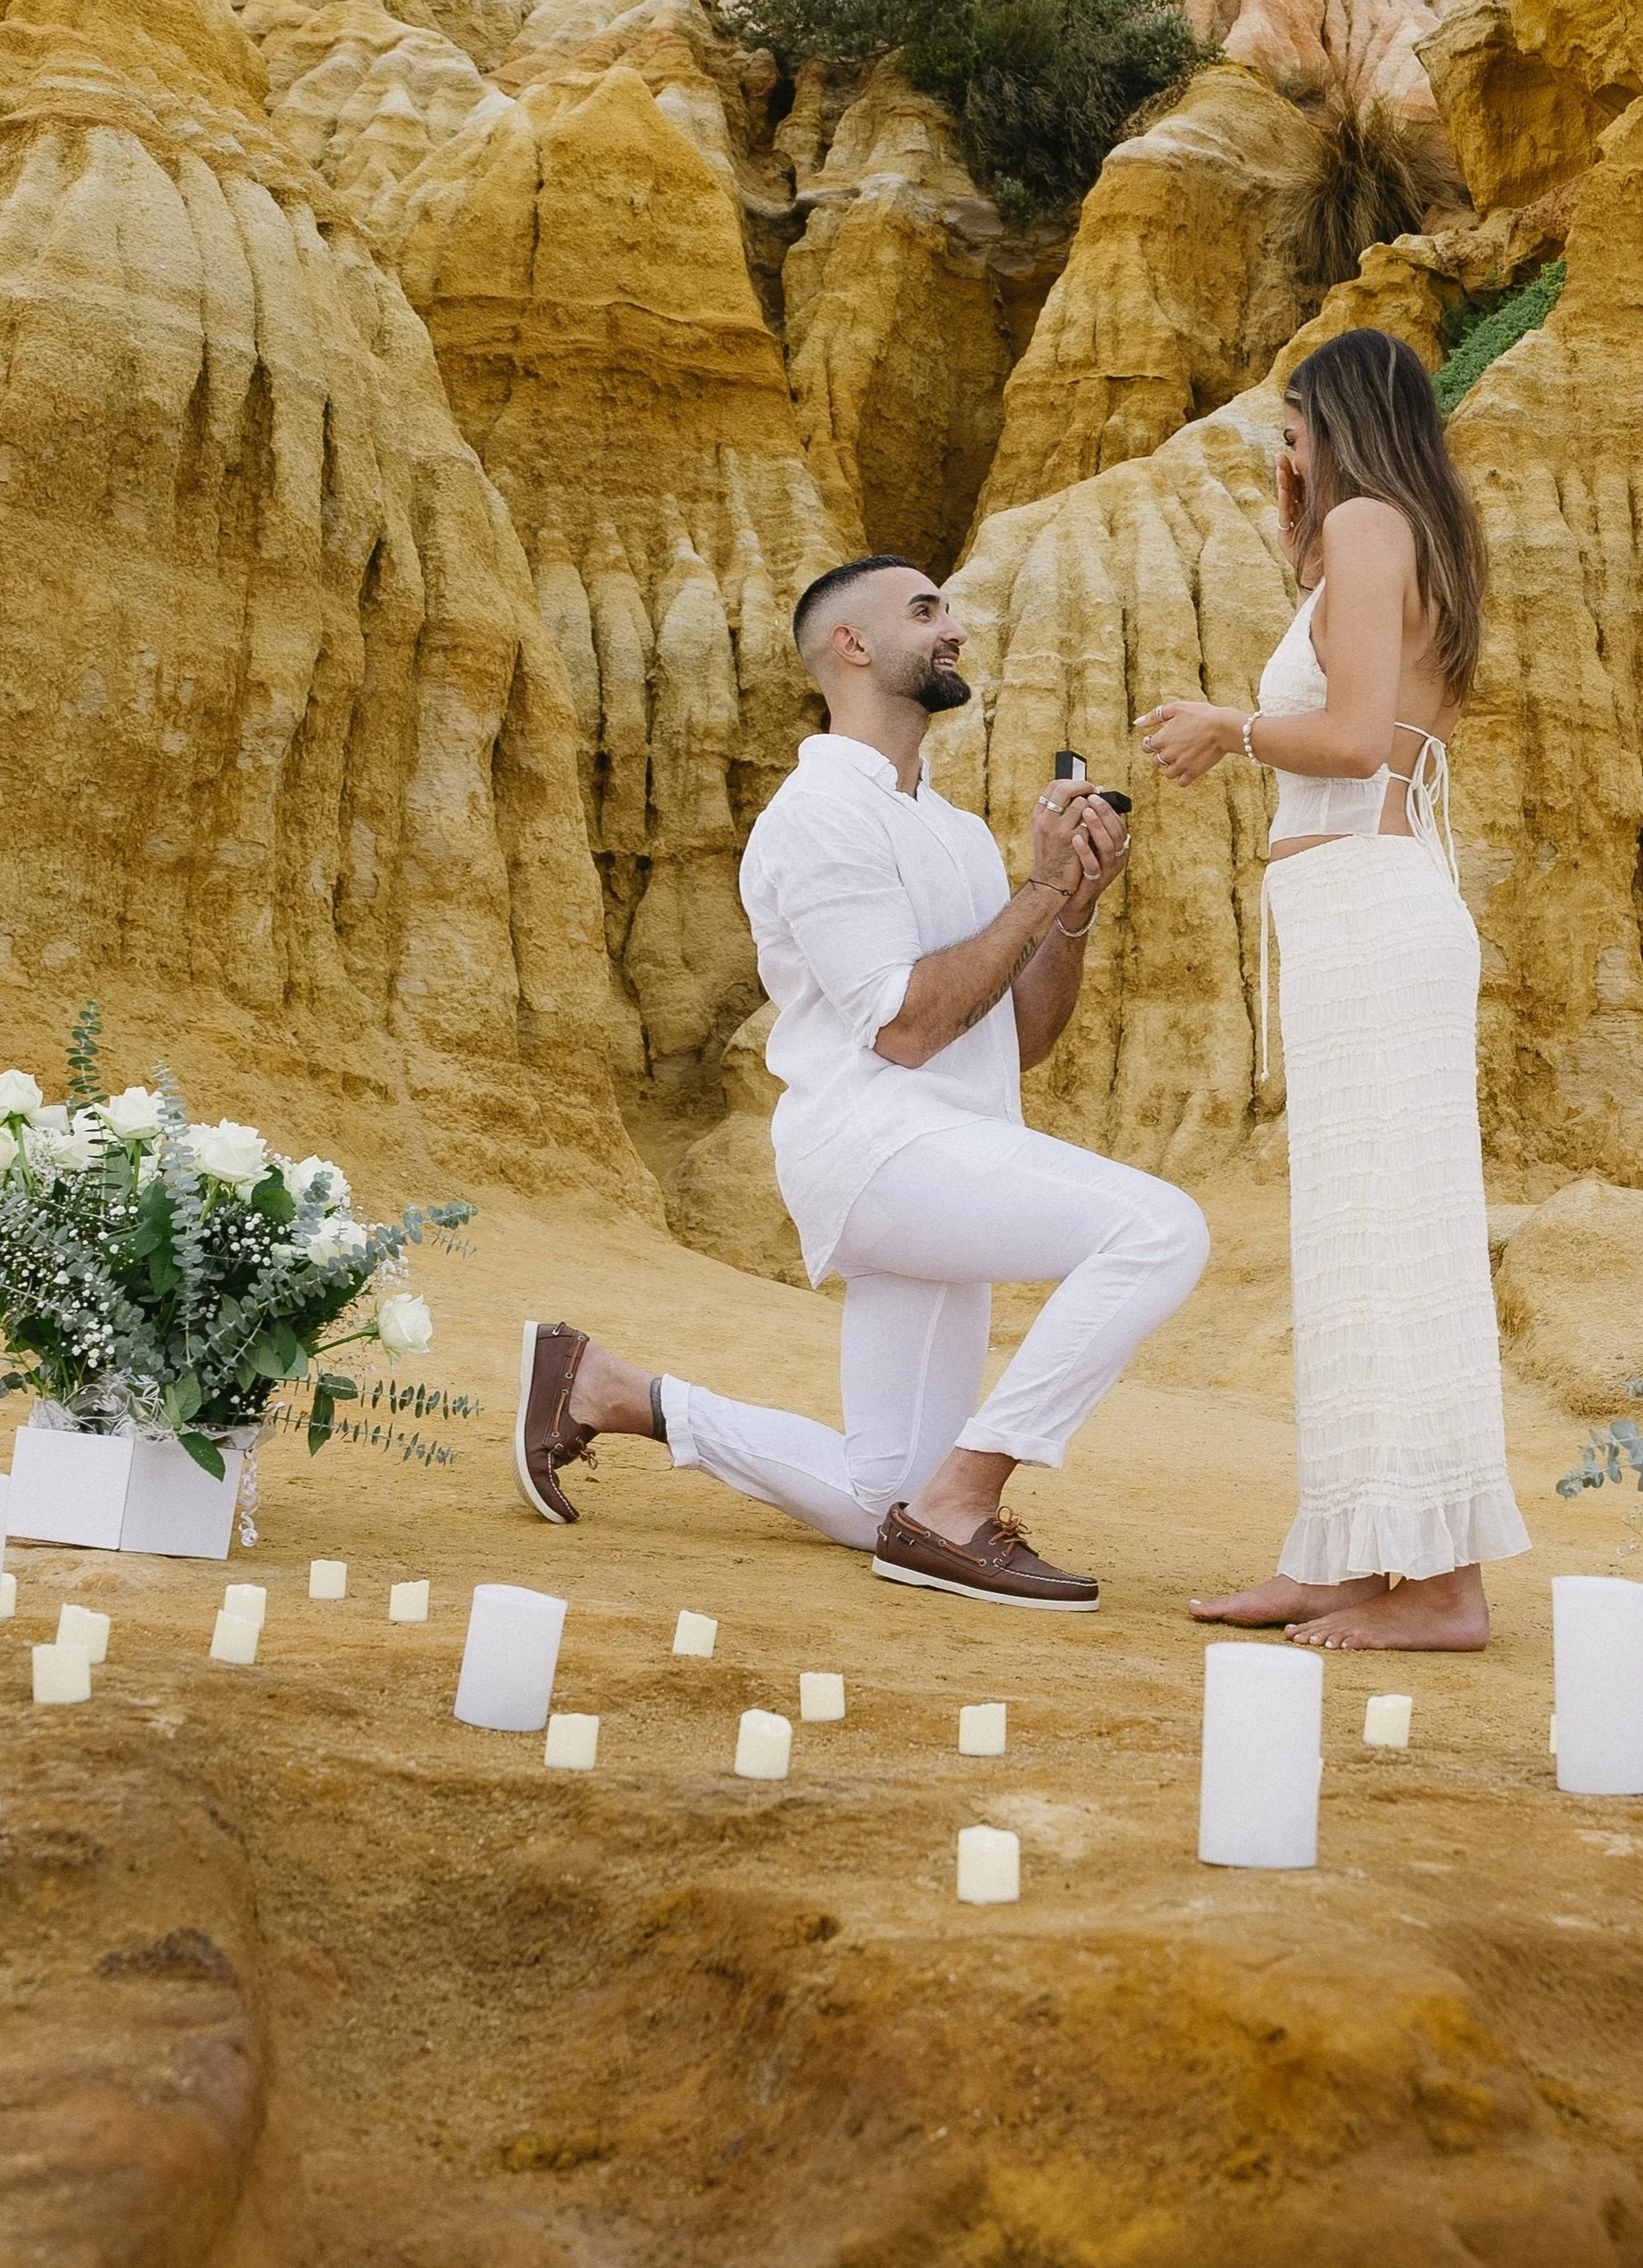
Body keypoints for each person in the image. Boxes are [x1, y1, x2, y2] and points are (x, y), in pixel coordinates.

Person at [515, 554, 1210, 1611]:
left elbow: (1014, 1042)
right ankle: (966, 1500)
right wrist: (1033, 889)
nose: (954, 628)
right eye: (925, 611)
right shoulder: (818, 813)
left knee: (878, 1493)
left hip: (952, 1152)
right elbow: (906, 1025)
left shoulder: (955, 830)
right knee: (1160, 1230)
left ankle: (608, 1389)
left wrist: (1070, 905)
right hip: (882, 1148)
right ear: (850, 645)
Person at [1137, 328, 1530, 1649]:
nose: (1287, 454)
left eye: (1296, 430)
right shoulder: (1410, 534)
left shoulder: (1370, 525)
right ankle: (1347, 1552)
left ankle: (1444, 1586)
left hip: (1367, 905)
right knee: (1364, 1244)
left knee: (1386, 1242)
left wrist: (1226, 727)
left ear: (1341, 424)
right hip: (1367, 908)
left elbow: (1355, 738)